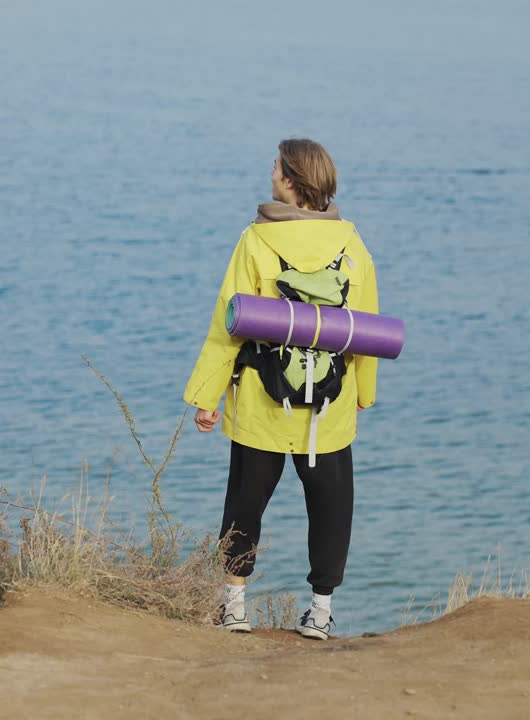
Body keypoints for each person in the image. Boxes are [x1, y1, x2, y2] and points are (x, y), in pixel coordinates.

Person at [184, 138, 379, 640]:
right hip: (328, 404)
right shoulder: (352, 244)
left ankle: (235, 607)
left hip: (260, 397)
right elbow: (365, 324)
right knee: (331, 508)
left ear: (290, 181)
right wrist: (364, 391)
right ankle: (319, 612)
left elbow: (228, 321)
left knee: (245, 505)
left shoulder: (255, 240)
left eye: (275, 167)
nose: (270, 172)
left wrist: (207, 395)